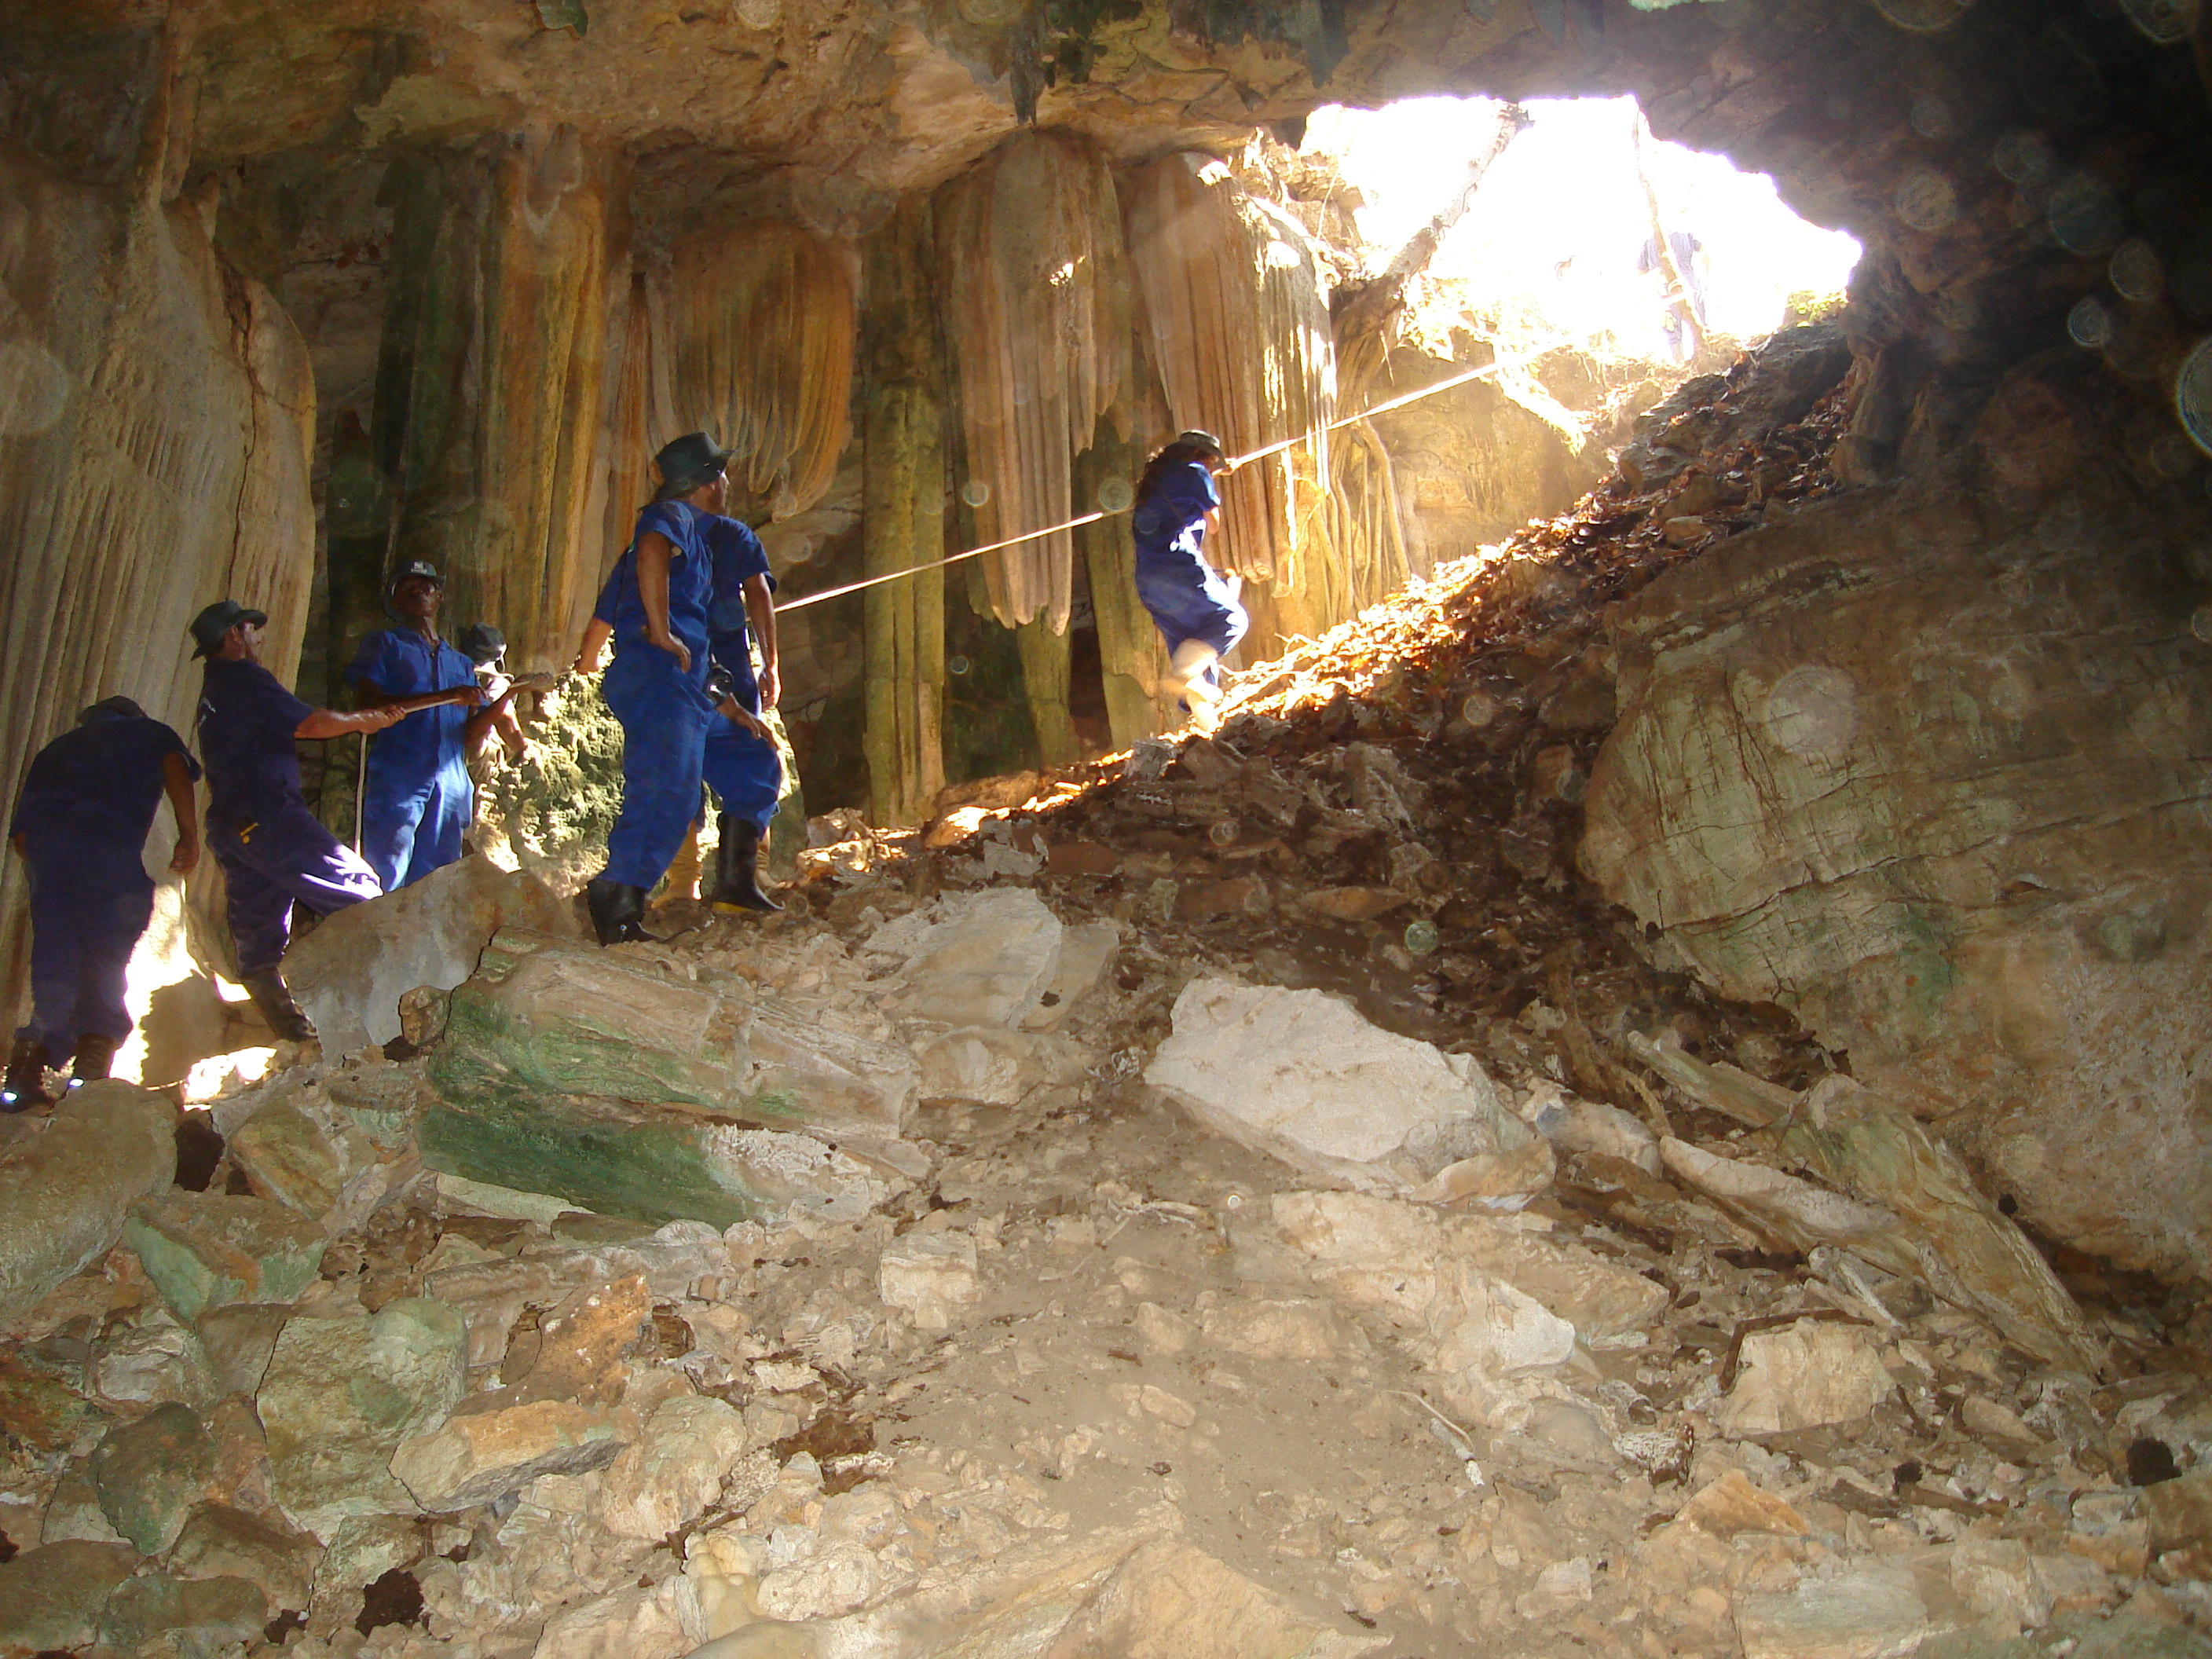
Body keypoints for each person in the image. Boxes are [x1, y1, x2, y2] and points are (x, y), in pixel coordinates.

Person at [192, 599, 398, 1041]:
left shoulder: (213, 689)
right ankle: (387, 1004)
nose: (258, 638)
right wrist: (365, 722)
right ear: (234, 635)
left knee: (259, 929)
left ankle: (292, 1032)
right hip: (268, 815)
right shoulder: (244, 678)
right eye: (252, 629)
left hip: (231, 825)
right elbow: (309, 725)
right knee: (358, 889)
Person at [3, 698, 201, 1108]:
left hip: (49, 856)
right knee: (105, 953)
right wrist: (189, 834)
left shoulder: (55, 749)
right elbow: (174, 765)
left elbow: (21, 838)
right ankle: (90, 1067)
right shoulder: (151, 733)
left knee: (56, 957)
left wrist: (52, 865)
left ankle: (26, 1068)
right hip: (106, 853)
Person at [581, 432, 727, 946]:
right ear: (709, 483)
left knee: (674, 787)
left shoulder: (678, 535)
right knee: (668, 786)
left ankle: (626, 902)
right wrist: (663, 632)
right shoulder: (674, 519)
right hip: (663, 671)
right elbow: (649, 548)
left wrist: (590, 658)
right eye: (722, 475)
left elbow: (607, 605)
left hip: (654, 674)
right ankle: (616, 895)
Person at [346, 562, 488, 891]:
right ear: (395, 602)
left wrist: (511, 695)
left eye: (427, 586)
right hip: (401, 773)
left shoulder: (461, 663)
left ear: (439, 598)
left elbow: (468, 735)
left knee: (437, 882)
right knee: (386, 872)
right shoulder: (385, 645)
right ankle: (377, 937)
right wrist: (448, 695)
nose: (419, 592)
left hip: (453, 783)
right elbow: (368, 706)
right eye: (408, 588)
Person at [699, 512, 784, 914]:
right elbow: (757, 591)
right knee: (756, 758)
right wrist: (771, 663)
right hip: (717, 668)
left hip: (675, 671)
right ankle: (738, 881)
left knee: (679, 773)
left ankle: (688, 883)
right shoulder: (730, 533)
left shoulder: (653, 534)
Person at [1131, 429, 1249, 709]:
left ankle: (1206, 730)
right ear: (1203, 457)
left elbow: (1179, 495)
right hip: (1179, 568)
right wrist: (1209, 480)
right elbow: (1214, 524)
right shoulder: (1195, 471)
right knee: (1230, 620)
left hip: (1150, 581)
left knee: (1198, 651)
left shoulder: (1156, 478)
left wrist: (1213, 476)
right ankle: (1182, 676)